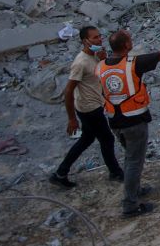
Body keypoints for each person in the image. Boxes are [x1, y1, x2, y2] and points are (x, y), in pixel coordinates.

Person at [97, 18, 160, 217]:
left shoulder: (101, 66)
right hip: (134, 120)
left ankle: (134, 189)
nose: (132, 41)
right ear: (126, 45)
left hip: (114, 120)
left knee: (130, 158)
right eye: (130, 39)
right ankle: (130, 204)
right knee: (134, 161)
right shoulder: (133, 64)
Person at [49, 25, 123, 189]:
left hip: (94, 103)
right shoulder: (80, 63)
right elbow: (68, 91)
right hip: (89, 108)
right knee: (107, 138)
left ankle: (60, 173)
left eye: (99, 36)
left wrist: (103, 59)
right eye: (95, 38)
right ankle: (115, 172)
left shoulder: (95, 56)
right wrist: (71, 118)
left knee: (86, 139)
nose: (99, 39)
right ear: (85, 41)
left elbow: (99, 75)